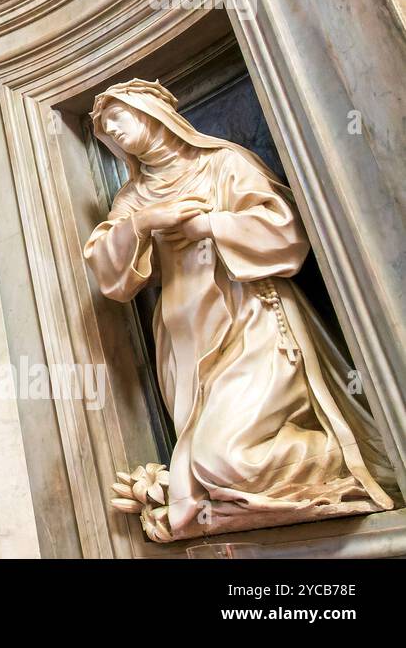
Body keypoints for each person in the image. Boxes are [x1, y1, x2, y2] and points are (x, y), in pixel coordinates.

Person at [84, 79, 396, 538]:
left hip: (251, 320)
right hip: (186, 339)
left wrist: (208, 224)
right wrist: (146, 222)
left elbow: (286, 232)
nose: (113, 128)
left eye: (119, 116)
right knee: (205, 463)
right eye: (106, 127)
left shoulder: (221, 165)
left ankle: (352, 457)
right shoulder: (133, 198)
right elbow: (109, 274)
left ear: (151, 113)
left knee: (223, 456)